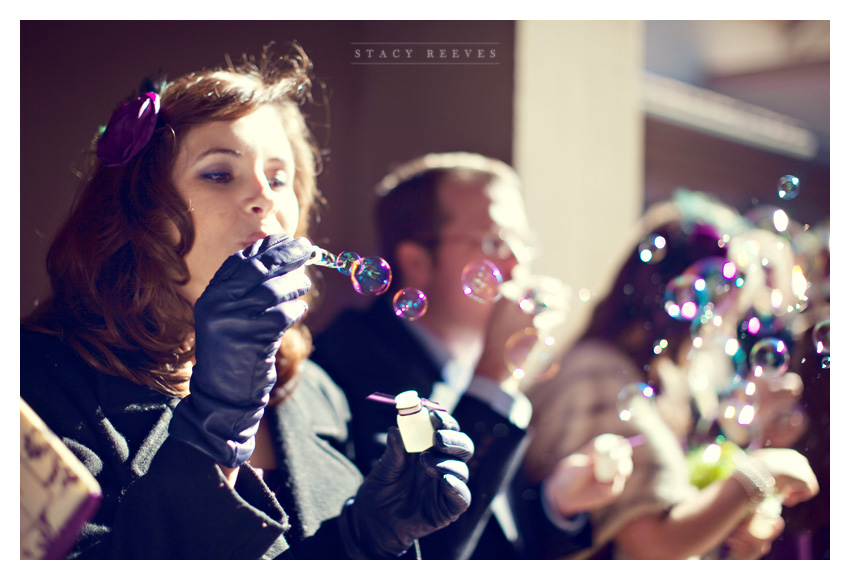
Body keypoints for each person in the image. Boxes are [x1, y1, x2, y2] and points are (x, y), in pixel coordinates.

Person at [20, 43, 476, 559]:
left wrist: (367, 539)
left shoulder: (313, 393)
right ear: (141, 217)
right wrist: (217, 417)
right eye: (219, 173)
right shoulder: (34, 383)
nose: (266, 198)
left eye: (280, 178)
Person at [311, 152, 628, 559]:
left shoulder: (465, 368)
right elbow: (417, 546)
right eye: (495, 242)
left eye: (523, 242)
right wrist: (494, 375)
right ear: (417, 262)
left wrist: (555, 504)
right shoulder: (351, 365)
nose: (519, 263)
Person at [522, 191, 820, 559]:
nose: (725, 326)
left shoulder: (659, 383)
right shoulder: (596, 376)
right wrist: (759, 475)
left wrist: (729, 525)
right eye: (726, 307)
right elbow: (649, 548)